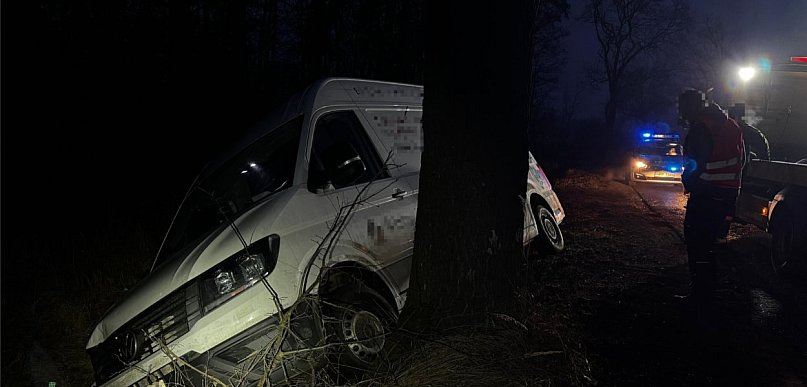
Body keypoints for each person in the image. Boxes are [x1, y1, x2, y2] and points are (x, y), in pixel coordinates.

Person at [678, 89, 745, 300]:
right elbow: (743, 160)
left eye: (683, 109)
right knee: (708, 243)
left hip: (706, 193)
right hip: (728, 193)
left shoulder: (702, 128)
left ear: (692, 108)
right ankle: (707, 292)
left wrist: (688, 181)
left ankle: (700, 294)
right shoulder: (732, 126)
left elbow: (695, 163)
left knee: (696, 241)